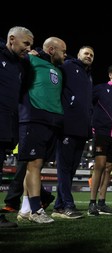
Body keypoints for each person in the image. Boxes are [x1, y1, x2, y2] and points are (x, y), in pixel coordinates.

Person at [18, 36, 67, 224]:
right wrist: (33, 51)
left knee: (35, 167)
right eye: (63, 50)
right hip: (34, 117)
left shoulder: (58, 69)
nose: (65, 54)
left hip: (52, 122)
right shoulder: (31, 59)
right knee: (34, 165)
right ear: (52, 50)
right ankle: (36, 210)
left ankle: (25, 209)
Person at [51, 46, 95, 219]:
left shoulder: (88, 75)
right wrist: (39, 51)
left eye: (92, 55)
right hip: (67, 126)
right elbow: (51, 56)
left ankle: (59, 206)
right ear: (78, 55)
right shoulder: (68, 65)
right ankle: (68, 205)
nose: (89, 56)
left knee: (70, 170)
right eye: (86, 53)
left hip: (82, 129)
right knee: (64, 167)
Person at [0, 26, 34, 228]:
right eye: (26, 44)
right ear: (11, 39)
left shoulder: (20, 65)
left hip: (6, 125)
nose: (29, 49)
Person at [87, 65, 112, 216]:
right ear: (110, 75)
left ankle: (102, 202)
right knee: (100, 166)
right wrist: (93, 123)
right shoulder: (100, 88)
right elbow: (88, 102)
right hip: (102, 133)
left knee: (109, 168)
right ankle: (92, 203)